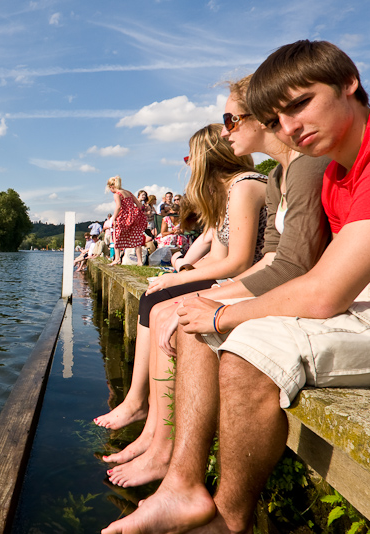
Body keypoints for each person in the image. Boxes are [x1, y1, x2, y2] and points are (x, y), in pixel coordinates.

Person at [101, 39, 370, 534]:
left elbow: (317, 285)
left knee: (244, 349)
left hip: (365, 303)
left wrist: (220, 311)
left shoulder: (367, 158)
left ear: (348, 85)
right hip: (361, 299)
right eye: (276, 119)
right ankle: (183, 485)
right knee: (198, 328)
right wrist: (209, 312)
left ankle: (228, 521)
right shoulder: (336, 168)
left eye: (299, 105)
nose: (290, 128)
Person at [94, 123, 269, 487]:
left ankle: (155, 431)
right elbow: (216, 256)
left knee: (162, 305)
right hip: (233, 278)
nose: (188, 166)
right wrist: (183, 271)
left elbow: (237, 263)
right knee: (155, 298)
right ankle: (149, 425)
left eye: (191, 158)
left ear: (206, 158)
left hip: (250, 282)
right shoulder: (225, 194)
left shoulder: (245, 185)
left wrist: (177, 279)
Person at [105, 175, 146, 266]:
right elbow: (139, 205)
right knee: (136, 239)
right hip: (134, 217)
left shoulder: (117, 194)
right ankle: (140, 261)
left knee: (117, 237)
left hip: (123, 217)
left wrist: (113, 219)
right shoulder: (128, 192)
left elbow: (118, 207)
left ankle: (117, 259)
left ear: (111, 187)